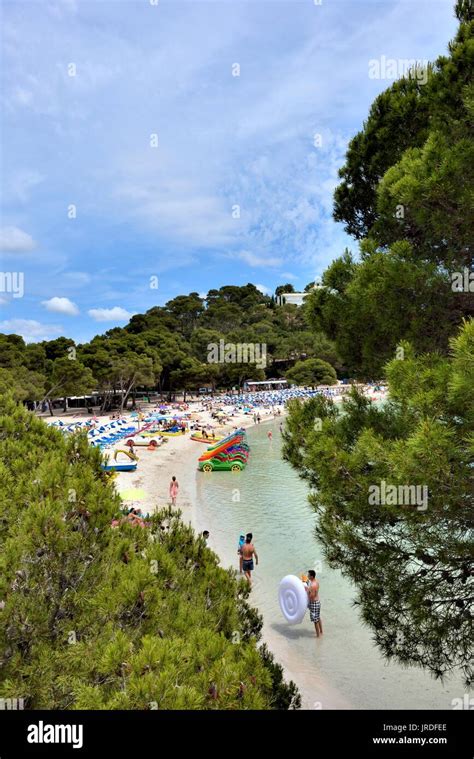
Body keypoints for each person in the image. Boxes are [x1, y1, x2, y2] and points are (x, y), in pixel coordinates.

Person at [305, 569, 322, 637]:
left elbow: (312, 596)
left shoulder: (312, 585)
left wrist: (307, 591)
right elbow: (315, 593)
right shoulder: (316, 582)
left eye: (308, 575)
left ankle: (318, 636)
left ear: (311, 576)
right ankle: (321, 632)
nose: (307, 576)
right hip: (317, 602)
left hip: (314, 603)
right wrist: (308, 588)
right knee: (318, 618)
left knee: (315, 621)